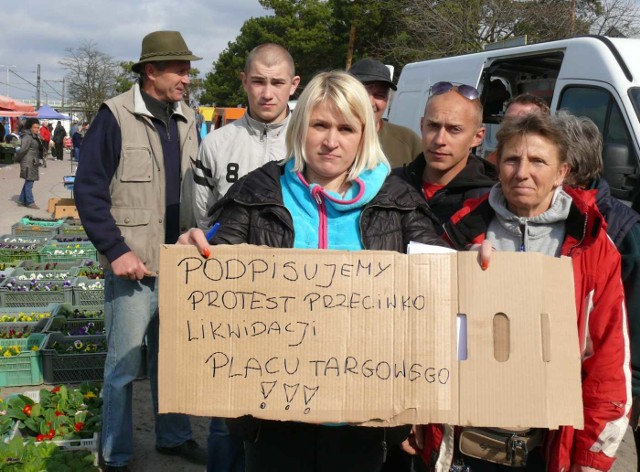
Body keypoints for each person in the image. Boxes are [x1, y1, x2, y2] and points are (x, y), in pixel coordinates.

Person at [178, 70, 446, 472]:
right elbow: (216, 266)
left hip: (364, 415)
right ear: (301, 126)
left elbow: (440, 285)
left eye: (345, 128)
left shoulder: (400, 202)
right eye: (320, 124)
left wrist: (476, 262)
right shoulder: (257, 194)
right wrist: (194, 253)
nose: (331, 141)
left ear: (364, 133)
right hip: (272, 411)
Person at [418, 112, 631, 471]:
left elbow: (608, 359)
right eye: (513, 159)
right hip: (461, 449)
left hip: (543, 451)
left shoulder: (591, 244)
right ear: (497, 164)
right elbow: (423, 335)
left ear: (562, 171)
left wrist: (591, 456)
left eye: (538, 161)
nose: (522, 172)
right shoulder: (460, 232)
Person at [74, 30, 207, 471]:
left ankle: (173, 436)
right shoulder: (114, 116)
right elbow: (90, 192)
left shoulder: (188, 119)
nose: (187, 78)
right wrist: (116, 251)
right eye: (180, 69)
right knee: (123, 367)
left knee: (172, 363)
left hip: (179, 265)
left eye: (189, 69)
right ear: (151, 71)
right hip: (134, 268)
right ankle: (116, 453)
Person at [559, 112, 640, 471]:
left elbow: (630, 327)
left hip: (601, 391)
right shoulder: (535, 218)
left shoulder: (619, 231)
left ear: (568, 170)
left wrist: (630, 396)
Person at [193, 43, 300, 230]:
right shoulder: (214, 145)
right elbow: (204, 221)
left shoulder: (310, 144)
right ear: (244, 82)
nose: (267, 94)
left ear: (293, 85)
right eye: (258, 81)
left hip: (291, 258)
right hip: (230, 257)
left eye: (277, 83)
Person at [393, 81, 497, 234]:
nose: (439, 140)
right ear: (422, 126)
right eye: (433, 126)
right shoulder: (391, 185)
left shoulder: (492, 201)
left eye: (454, 129)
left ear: (478, 136)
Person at [349, 58, 421, 168]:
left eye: (379, 95)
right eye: (362, 93)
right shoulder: (331, 140)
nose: (370, 103)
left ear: (388, 100)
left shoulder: (408, 141)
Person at [485, 93, 550, 165]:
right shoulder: (492, 161)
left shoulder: (553, 159)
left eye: (524, 121)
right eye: (510, 120)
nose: (514, 125)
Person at [14, 118, 44, 209]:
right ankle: (30, 202)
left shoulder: (33, 136)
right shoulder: (27, 137)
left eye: (38, 128)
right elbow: (22, 150)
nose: (36, 129)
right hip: (28, 163)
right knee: (29, 182)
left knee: (29, 181)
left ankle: (21, 200)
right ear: (30, 128)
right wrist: (16, 159)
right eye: (34, 127)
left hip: (32, 162)